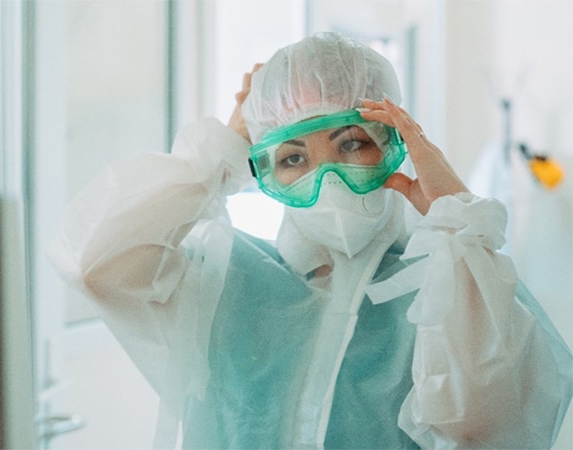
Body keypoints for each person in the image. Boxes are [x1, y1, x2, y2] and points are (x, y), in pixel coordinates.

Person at [48, 32, 572, 449]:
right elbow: (98, 265)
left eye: (352, 144)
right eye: (293, 157)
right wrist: (218, 152)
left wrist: (455, 216)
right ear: (263, 169)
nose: (328, 178)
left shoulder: (448, 291)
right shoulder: (226, 281)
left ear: (397, 146)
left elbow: (491, 421)